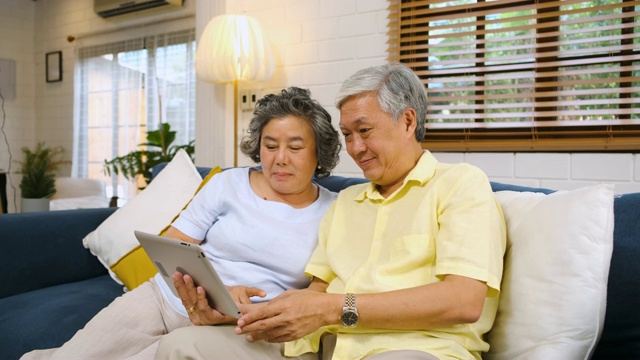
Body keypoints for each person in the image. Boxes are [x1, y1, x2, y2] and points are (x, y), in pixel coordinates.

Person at [156, 63, 507, 360]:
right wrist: (234, 312)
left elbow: (464, 301)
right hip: (318, 349)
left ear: (408, 121)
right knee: (181, 346)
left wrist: (334, 309)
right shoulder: (347, 202)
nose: (355, 148)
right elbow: (316, 293)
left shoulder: (460, 184)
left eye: (365, 131)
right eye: (347, 134)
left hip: (413, 348)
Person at [20, 87, 341, 360]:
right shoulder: (228, 184)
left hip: (238, 328)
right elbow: (173, 247)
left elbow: (316, 297)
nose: (280, 158)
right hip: (165, 299)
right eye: (270, 146)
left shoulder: (336, 210)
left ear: (319, 153)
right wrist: (216, 290)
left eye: (295, 147)